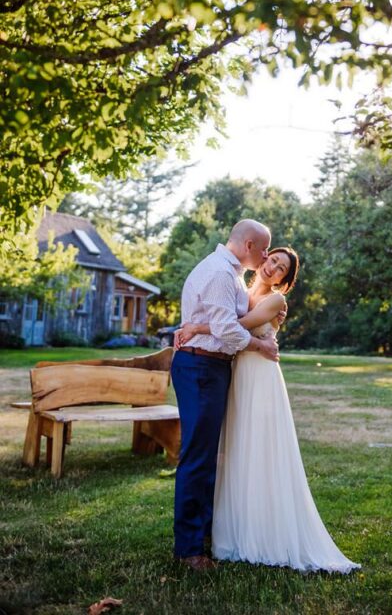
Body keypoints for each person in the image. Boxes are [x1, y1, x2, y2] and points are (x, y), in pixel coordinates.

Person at [176, 246, 360, 573]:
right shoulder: (240, 289)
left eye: (281, 269)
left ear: (285, 282)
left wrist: (195, 327)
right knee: (235, 450)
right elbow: (227, 320)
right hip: (236, 377)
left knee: (259, 449)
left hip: (260, 379)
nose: (272, 267)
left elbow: (239, 324)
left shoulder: (276, 301)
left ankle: (262, 531)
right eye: (272, 259)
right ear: (263, 259)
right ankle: (228, 528)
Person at [172, 219, 280, 572]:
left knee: (207, 456)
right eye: (264, 249)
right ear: (249, 244)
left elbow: (221, 322)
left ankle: (202, 534)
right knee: (198, 457)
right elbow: (226, 329)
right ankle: (189, 550)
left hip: (211, 367)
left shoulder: (229, 273)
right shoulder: (220, 273)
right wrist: (260, 346)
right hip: (201, 367)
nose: (266, 256)